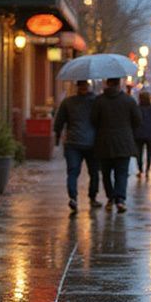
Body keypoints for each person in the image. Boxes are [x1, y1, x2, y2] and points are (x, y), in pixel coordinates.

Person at [90, 77, 140, 213]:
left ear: (107, 84)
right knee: (122, 173)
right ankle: (120, 200)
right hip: (123, 142)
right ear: (119, 84)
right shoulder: (129, 101)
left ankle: (110, 197)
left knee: (106, 173)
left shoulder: (99, 101)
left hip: (104, 142)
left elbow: (93, 120)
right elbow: (137, 121)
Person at [53, 79, 102, 212]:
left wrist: (57, 138)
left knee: (73, 172)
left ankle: (73, 198)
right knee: (94, 173)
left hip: (73, 142)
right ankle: (92, 198)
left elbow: (58, 123)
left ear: (77, 87)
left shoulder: (68, 102)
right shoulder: (96, 101)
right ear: (88, 86)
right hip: (92, 142)